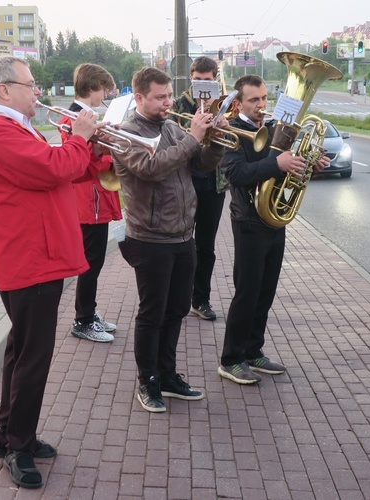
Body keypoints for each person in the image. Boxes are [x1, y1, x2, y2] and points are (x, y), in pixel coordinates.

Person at [0, 56, 104, 488]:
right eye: (31, 84)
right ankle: (19, 447)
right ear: (4, 90)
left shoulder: (12, 126)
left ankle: (8, 436)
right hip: (29, 259)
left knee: (22, 350)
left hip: (35, 255)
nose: (38, 92)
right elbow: (51, 168)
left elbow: (59, 171)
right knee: (33, 358)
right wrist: (79, 138)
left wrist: (93, 152)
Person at [112, 67, 227, 412]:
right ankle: (147, 381)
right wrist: (192, 138)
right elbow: (152, 168)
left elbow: (201, 165)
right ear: (139, 98)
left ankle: (168, 374)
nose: (167, 103)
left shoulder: (172, 126)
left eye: (168, 96)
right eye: (159, 97)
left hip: (182, 235)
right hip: (148, 238)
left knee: (176, 309)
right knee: (152, 313)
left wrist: (215, 139)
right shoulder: (124, 134)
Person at [218, 74, 330, 385]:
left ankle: (253, 350)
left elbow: (289, 169)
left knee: (266, 291)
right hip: (248, 220)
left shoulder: (276, 130)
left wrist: (309, 165)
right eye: (254, 100)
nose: (261, 105)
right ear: (239, 103)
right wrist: (276, 164)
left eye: (265, 98)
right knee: (247, 292)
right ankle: (231, 359)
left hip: (273, 220)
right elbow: (236, 174)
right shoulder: (233, 132)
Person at [59, 63, 122, 343]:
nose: (105, 95)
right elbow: (75, 162)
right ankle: (82, 320)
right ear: (92, 87)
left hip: (96, 200)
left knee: (93, 263)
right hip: (88, 202)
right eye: (103, 89)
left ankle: (89, 313)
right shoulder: (71, 118)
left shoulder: (87, 115)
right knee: (89, 264)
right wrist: (102, 152)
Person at [171, 56, 224, 321]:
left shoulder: (224, 106)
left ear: (215, 80)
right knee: (182, 241)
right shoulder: (179, 104)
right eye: (198, 79)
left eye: (208, 80)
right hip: (187, 178)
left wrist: (222, 125)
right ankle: (179, 296)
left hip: (214, 182)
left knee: (207, 246)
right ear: (191, 78)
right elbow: (172, 140)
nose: (203, 83)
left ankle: (200, 299)